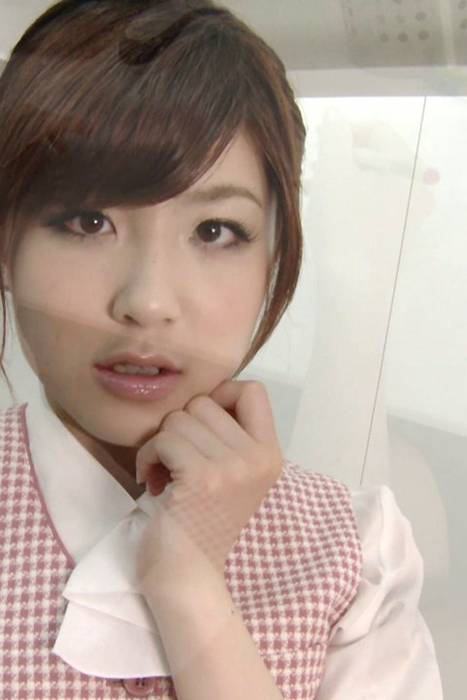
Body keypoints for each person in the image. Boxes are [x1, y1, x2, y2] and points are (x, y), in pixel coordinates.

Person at [0, 1, 443, 699]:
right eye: (87, 221)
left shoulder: (353, 553)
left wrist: (187, 584)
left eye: (214, 231)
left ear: (274, 256)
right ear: (6, 245)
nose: (148, 301)